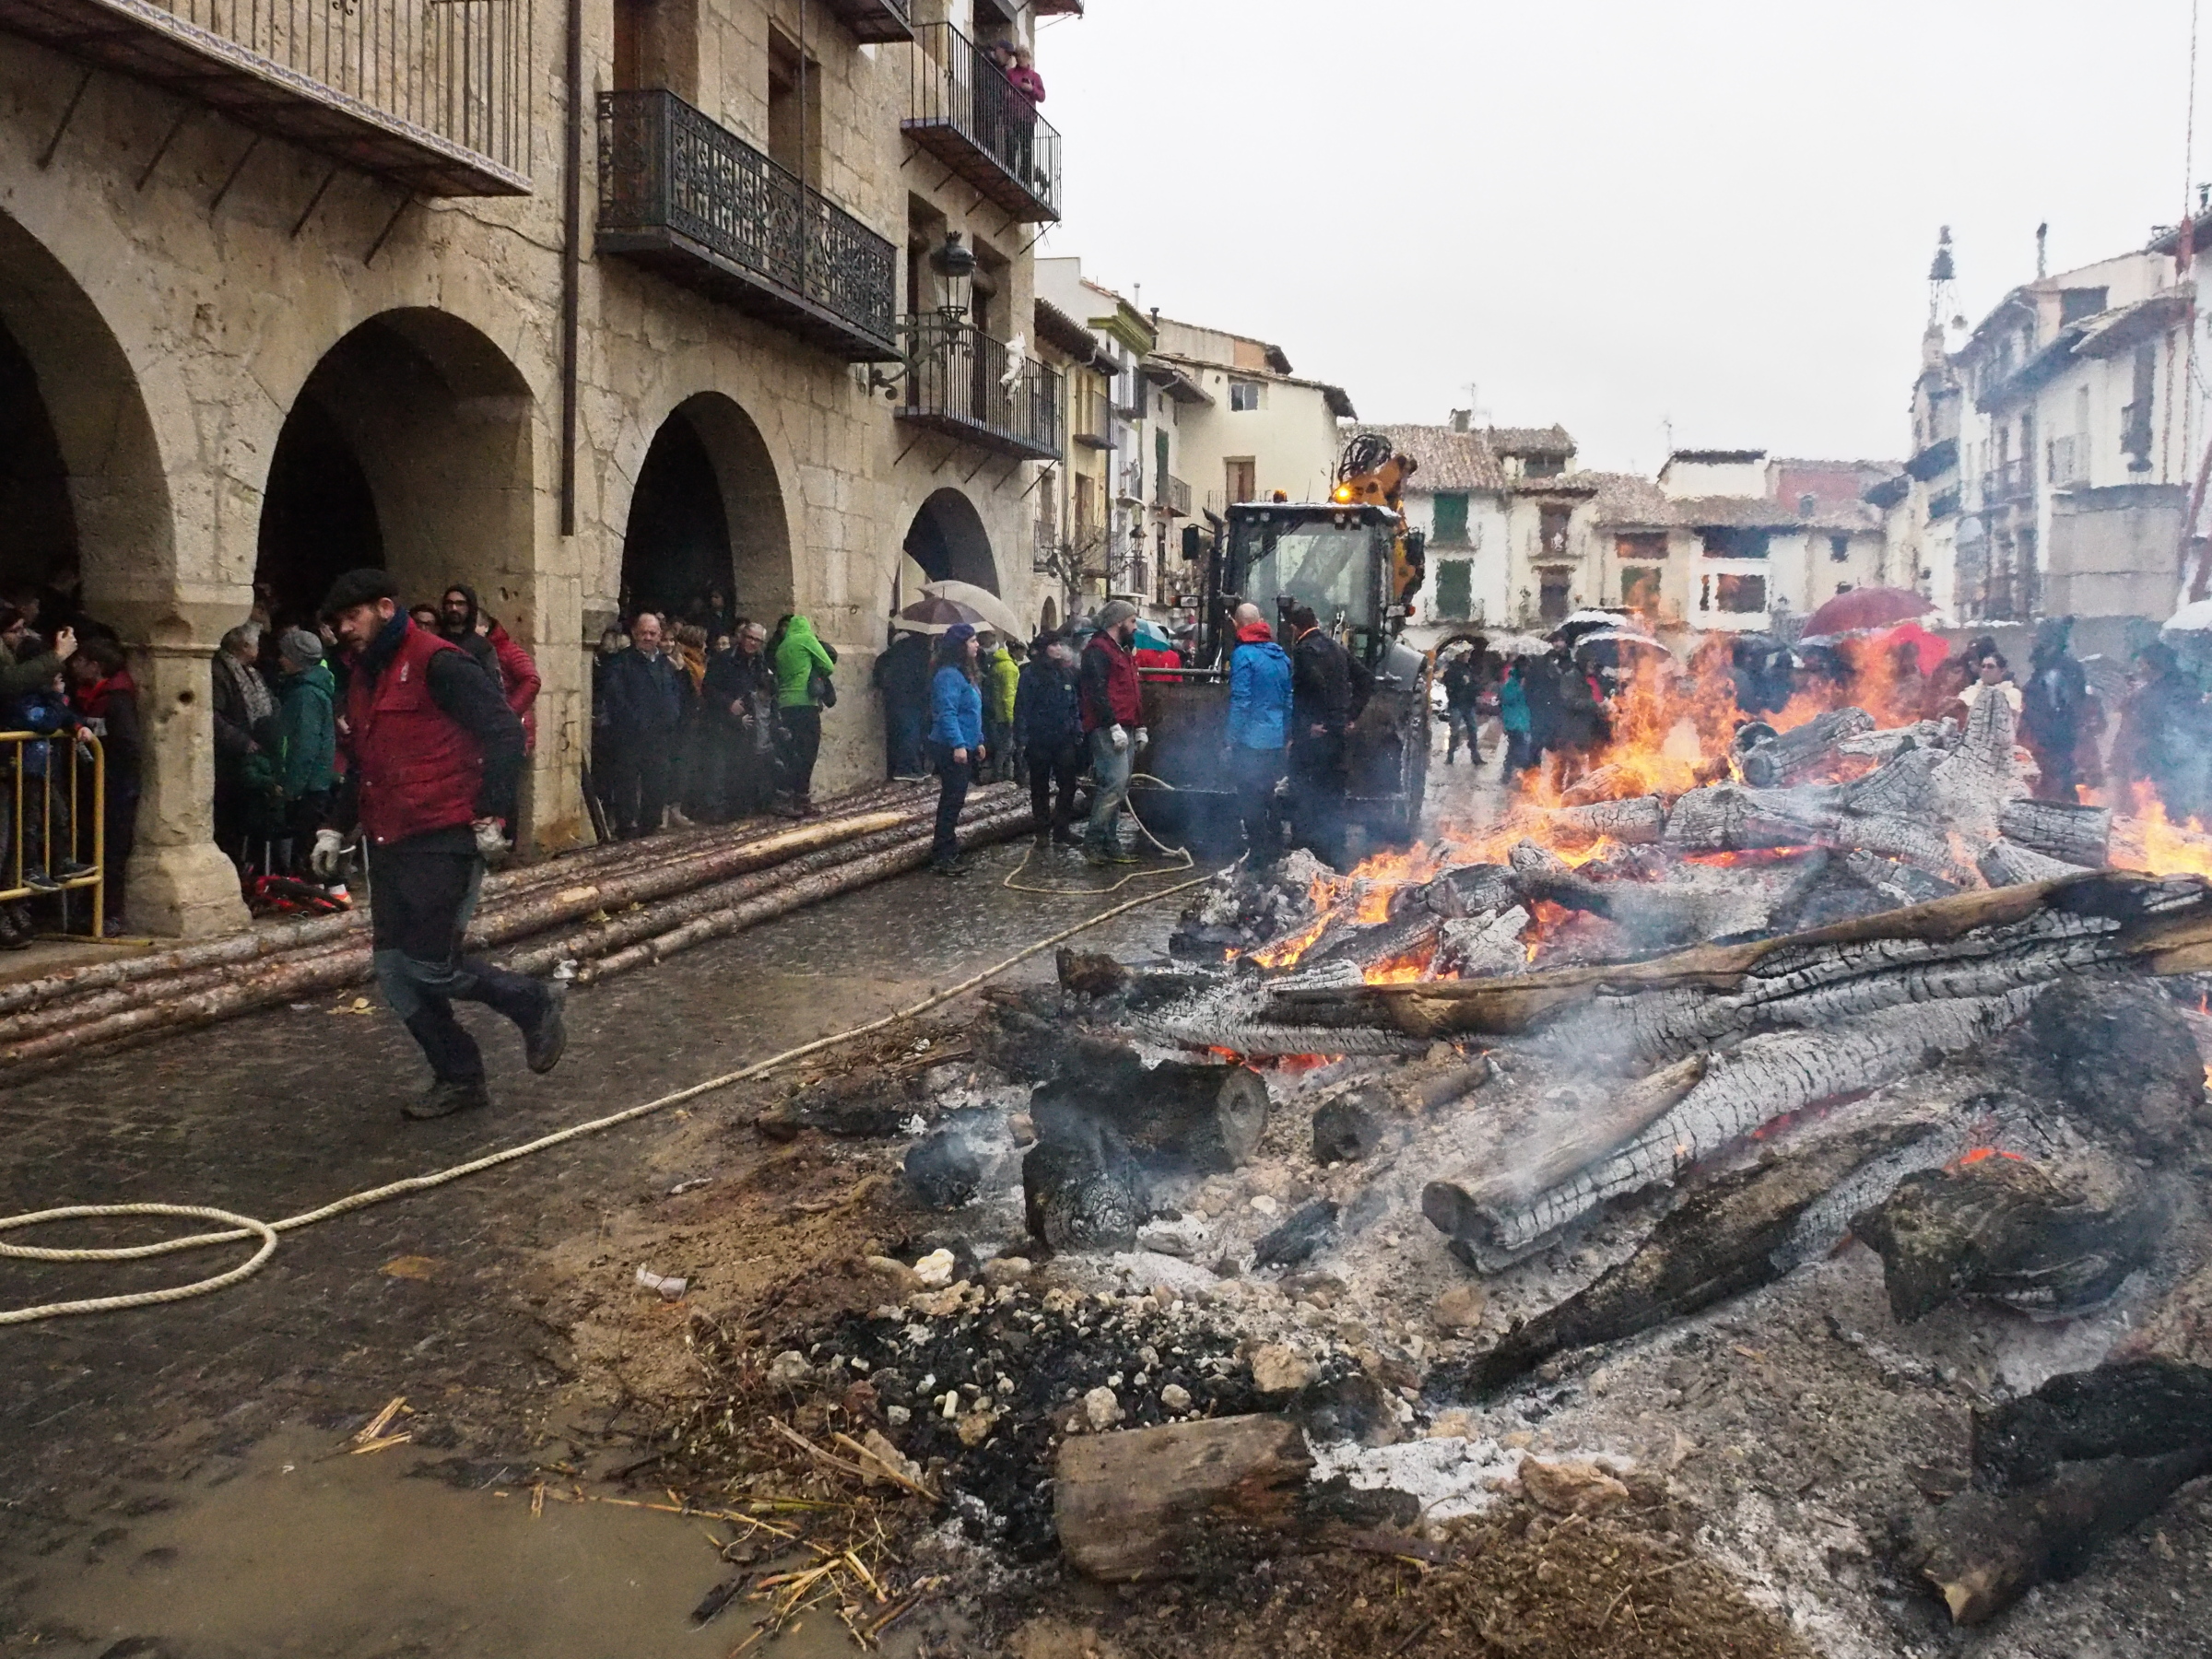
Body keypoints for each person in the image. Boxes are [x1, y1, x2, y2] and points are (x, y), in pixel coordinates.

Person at [311, 568, 563, 1120]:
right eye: (337, 621)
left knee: (430, 966)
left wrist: (492, 813)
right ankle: (459, 1077)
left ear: (384, 608)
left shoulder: (440, 663)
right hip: (389, 840)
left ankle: (532, 1000)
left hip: (443, 835)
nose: (344, 628)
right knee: (394, 973)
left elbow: (504, 731)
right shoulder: (364, 676)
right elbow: (366, 763)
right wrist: (334, 825)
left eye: (352, 616)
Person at [67, 636, 139, 933]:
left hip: (115, 787)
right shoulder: (84, 696)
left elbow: (128, 745)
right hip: (92, 785)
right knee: (88, 848)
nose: (73, 665)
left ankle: (110, 914)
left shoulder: (117, 699)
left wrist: (109, 774)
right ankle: (87, 911)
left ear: (95, 666)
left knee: (112, 852)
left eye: (80, 661)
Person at [596, 612, 688, 838]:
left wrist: (672, 717)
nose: (648, 637)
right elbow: (616, 698)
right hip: (631, 734)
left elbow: (673, 693)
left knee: (657, 781)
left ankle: (651, 825)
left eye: (652, 633)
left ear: (659, 635)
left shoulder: (664, 663)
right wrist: (637, 722)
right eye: (643, 633)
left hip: (660, 735)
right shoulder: (621, 662)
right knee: (626, 782)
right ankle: (627, 826)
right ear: (634, 634)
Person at [1078, 599, 1145, 865]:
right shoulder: (1098, 651)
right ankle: (1094, 841)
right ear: (1119, 622)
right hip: (1108, 728)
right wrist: (1112, 726)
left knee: (1120, 786)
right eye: (1132, 621)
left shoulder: (1120, 651)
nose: (1135, 626)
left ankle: (1110, 843)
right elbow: (1097, 691)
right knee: (1114, 784)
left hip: (1123, 725)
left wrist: (1139, 725)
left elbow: (1132, 692)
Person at [2112, 641, 2209, 823]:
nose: (2139, 670)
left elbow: (2180, 726)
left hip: (2167, 762)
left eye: (2142, 664)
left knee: (2168, 809)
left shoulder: (2171, 693)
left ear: (2155, 665)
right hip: (2156, 760)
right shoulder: (2161, 690)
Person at [1226, 605, 1293, 865]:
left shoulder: (1243, 655)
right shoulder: (1280, 656)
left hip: (1251, 742)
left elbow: (1241, 701)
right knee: (1268, 793)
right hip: (1275, 740)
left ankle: (1258, 854)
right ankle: (1275, 847)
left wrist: (1231, 738)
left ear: (1238, 624)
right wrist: (1286, 734)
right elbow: (1288, 700)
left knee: (1249, 798)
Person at [1287, 604, 1352, 867]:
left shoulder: (1303, 651)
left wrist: (1309, 724)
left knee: (1303, 790)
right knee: (1332, 793)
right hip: (1336, 735)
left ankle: (1304, 851)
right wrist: (1348, 716)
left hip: (1313, 738)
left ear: (1294, 628)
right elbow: (1366, 679)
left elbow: (1314, 686)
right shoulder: (1337, 648)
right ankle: (1334, 851)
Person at [273, 628, 338, 878]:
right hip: (315, 782)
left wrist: (292, 787)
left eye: (285, 654)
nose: (280, 659)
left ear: (297, 659)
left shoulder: (304, 695)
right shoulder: (314, 688)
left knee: (304, 852)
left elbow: (304, 744)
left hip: (307, 787)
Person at [210, 622, 276, 856]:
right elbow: (212, 715)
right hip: (229, 759)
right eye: (256, 643)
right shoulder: (219, 672)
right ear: (245, 645)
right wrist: (242, 743)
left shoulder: (252, 673)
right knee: (228, 822)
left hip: (253, 756)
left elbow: (271, 705)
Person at [1015, 630, 1084, 844]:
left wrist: (1077, 729)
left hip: (1064, 738)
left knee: (1068, 785)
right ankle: (1042, 830)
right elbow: (1022, 707)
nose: (1058, 649)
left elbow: (1073, 704)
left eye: (1059, 645)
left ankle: (1062, 828)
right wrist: (1022, 738)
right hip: (1039, 739)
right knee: (1040, 786)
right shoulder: (1030, 674)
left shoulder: (1065, 673)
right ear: (1044, 649)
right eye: (1054, 645)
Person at [927, 624, 985, 876]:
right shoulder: (948, 675)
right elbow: (947, 712)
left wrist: (979, 739)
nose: (977, 645)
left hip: (966, 743)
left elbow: (972, 710)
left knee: (956, 798)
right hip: (950, 746)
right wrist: (958, 744)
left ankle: (949, 848)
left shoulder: (964, 674)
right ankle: (942, 854)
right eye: (972, 641)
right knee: (951, 800)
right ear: (960, 646)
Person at [2020, 616, 2094, 803]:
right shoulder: (2044, 666)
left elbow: (2063, 707)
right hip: (2043, 742)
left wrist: (2048, 736)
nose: (2032, 638)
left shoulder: (2060, 669)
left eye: (2037, 635)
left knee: (2057, 791)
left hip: (2054, 743)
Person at [772, 614, 837, 817]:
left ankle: (787, 797)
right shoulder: (806, 639)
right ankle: (802, 798)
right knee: (808, 752)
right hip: (805, 703)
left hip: (785, 704)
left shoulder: (782, 647)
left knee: (791, 752)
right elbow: (828, 665)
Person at [873, 627, 933, 782]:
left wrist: (882, 683)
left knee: (908, 732)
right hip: (911, 696)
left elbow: (881, 662)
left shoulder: (901, 647)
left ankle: (913, 767)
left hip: (898, 695)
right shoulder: (921, 651)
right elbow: (922, 677)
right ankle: (906, 768)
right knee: (911, 733)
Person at [479, 611, 543, 755]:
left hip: (510, 729)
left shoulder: (507, 650)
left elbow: (531, 680)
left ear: (485, 627)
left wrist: (508, 711)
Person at [437, 585, 501, 683]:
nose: (454, 608)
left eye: (460, 604)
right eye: (449, 603)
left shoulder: (483, 646)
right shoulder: (436, 641)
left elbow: (493, 684)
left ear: (469, 607)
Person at [982, 632, 1020, 783]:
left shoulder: (998, 664)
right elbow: (1009, 696)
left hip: (996, 712)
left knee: (1004, 746)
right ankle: (1000, 775)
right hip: (1005, 714)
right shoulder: (1009, 668)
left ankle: (1004, 774)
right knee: (1006, 747)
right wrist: (1012, 718)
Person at [1441, 645, 1484, 765]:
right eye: (1465, 654)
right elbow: (1449, 686)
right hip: (1457, 704)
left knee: (1473, 730)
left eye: (1468, 654)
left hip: (1468, 704)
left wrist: (1473, 687)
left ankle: (1475, 756)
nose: (1467, 656)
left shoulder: (1469, 668)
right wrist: (1461, 683)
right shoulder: (1452, 669)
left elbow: (1474, 684)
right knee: (1455, 731)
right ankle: (1450, 755)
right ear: (1459, 655)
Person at [1500, 654, 1537, 781]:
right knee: (1521, 749)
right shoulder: (1511, 682)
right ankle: (1519, 773)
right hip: (1514, 722)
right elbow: (1507, 698)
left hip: (1523, 720)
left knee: (1514, 748)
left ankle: (1508, 773)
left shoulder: (1526, 681)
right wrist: (1521, 688)